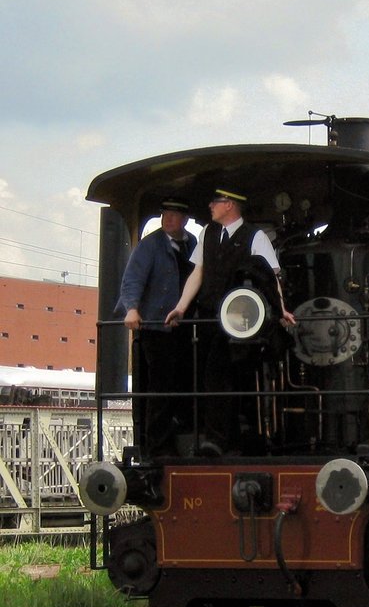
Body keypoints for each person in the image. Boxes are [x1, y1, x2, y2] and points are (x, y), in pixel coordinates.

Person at [164, 188, 295, 455]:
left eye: (216, 202)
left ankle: (242, 437)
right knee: (213, 377)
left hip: (244, 322)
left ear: (230, 205)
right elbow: (198, 272)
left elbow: (272, 277)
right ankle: (218, 439)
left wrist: (281, 310)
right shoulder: (208, 234)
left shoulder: (255, 237)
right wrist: (181, 306)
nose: (211, 206)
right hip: (212, 316)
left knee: (238, 376)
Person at [114, 197, 197, 456]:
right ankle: (158, 445)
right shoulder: (149, 246)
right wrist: (132, 308)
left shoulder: (192, 244)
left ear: (184, 219)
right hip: (156, 327)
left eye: (174, 215)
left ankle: (185, 435)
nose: (168, 219)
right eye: (165, 214)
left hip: (186, 327)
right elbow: (133, 279)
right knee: (160, 385)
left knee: (186, 382)